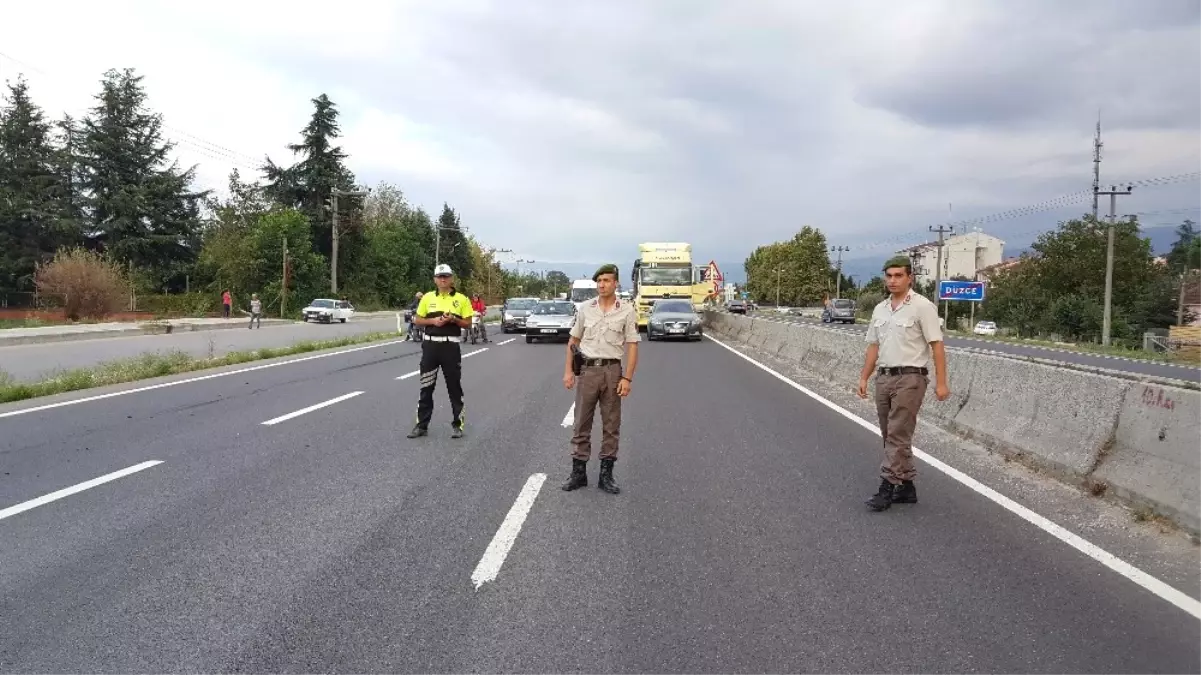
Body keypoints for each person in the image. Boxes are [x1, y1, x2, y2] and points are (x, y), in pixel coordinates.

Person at [857, 255, 950, 511]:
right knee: (891, 435)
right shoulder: (880, 309)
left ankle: (886, 488)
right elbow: (873, 347)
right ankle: (907, 487)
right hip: (884, 377)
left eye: (898, 275)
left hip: (911, 377)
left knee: (897, 433)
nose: (893, 280)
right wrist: (865, 376)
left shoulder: (922, 307)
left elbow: (937, 345)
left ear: (910, 278)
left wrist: (941, 383)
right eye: (889, 275)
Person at [561, 263, 639, 494]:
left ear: (616, 283)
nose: (602, 284)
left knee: (611, 425)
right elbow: (573, 342)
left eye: (607, 280)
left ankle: (606, 474)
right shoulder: (586, 309)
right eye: (599, 281)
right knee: (581, 423)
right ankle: (579, 473)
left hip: (612, 372)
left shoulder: (626, 310)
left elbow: (633, 346)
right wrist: (568, 372)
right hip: (587, 371)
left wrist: (627, 378)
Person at [407, 265, 473, 439]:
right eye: (439, 277)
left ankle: (458, 425)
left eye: (446, 276)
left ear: (452, 278)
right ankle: (421, 425)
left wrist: (454, 319)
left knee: (454, 388)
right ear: (434, 279)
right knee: (426, 387)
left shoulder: (462, 299)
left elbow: (468, 323)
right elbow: (418, 319)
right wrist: (433, 321)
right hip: (430, 347)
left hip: (450, 347)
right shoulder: (428, 298)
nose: (443, 279)